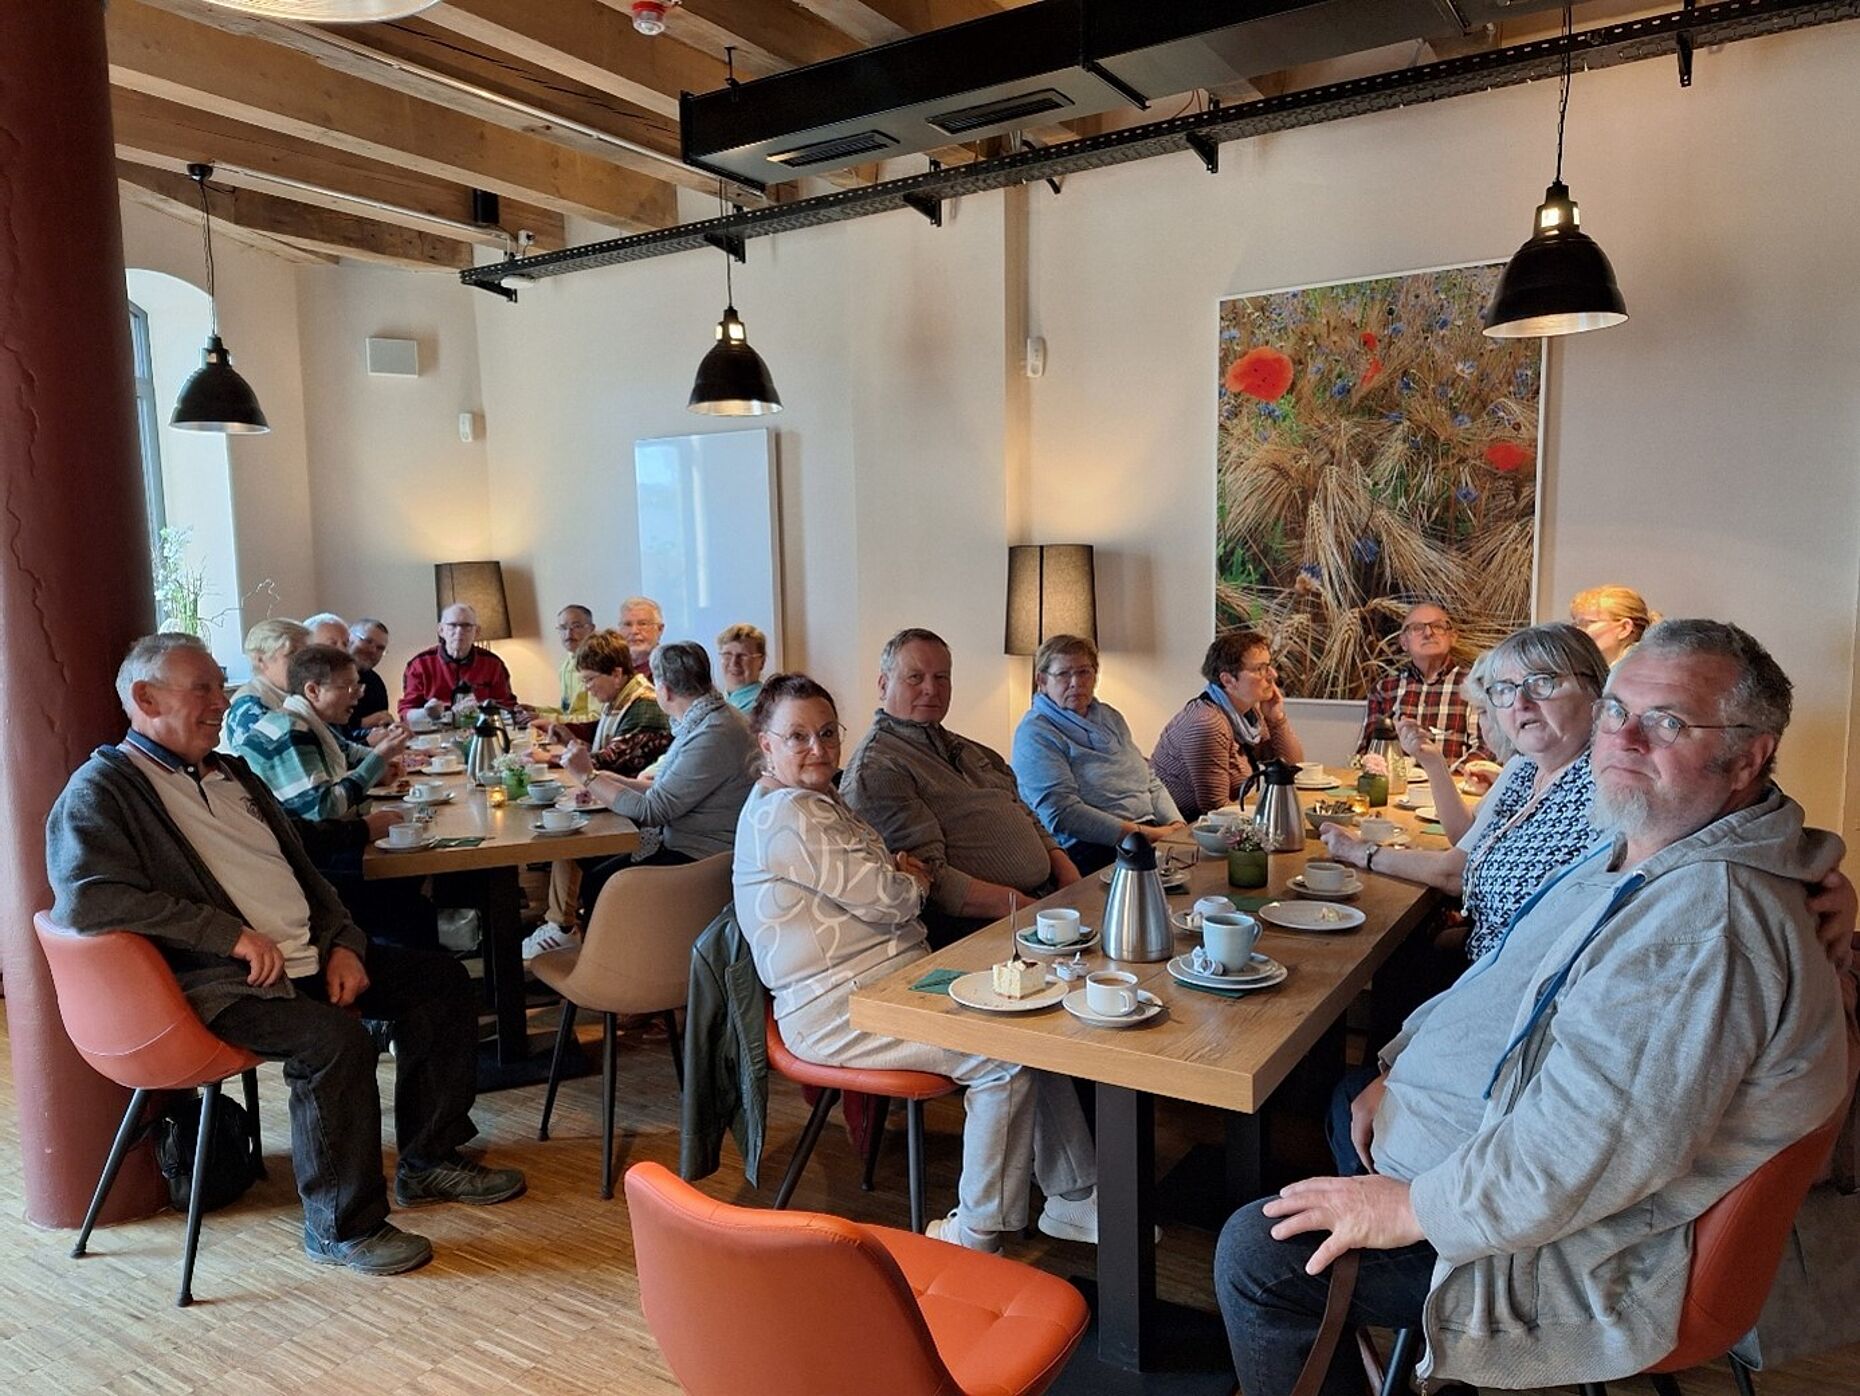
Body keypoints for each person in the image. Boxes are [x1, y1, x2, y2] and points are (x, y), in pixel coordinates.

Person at [1216, 619, 1850, 1394]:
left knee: (1257, 1255)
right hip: (1501, 1162)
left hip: (1565, 1247)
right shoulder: (1643, 842)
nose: (1624, 740)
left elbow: (1579, 1154)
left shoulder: (1702, 924)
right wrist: (1398, 1065)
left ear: (1749, 756)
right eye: (1619, 711)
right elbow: (1508, 974)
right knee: (1350, 1095)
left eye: (1669, 722)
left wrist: (1411, 1207)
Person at [45, 633, 525, 1278]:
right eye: (204, 689)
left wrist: (343, 945)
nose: (225, 700)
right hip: (222, 983)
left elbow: (307, 876)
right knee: (332, 1041)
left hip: (306, 959)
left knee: (437, 980)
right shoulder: (104, 789)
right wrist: (227, 935)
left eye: (222, 684)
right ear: (145, 698)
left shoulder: (233, 771)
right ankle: (341, 1225)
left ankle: (429, 1160)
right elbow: (89, 901)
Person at [735, 672, 1099, 1252]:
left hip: (893, 981)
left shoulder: (815, 800)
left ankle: (1075, 1198)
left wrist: (900, 876)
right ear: (766, 744)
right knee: (1002, 1056)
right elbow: (890, 896)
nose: (818, 748)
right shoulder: (791, 816)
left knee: (1029, 1021)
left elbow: (882, 886)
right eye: (798, 736)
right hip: (836, 1008)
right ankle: (977, 1231)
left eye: (827, 733)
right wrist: (912, 878)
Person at [1323, 623, 1608, 964]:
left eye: (1542, 683)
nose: (1522, 703)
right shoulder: (1527, 769)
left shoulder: (1607, 786)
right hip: (1485, 962)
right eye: (1505, 690)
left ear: (1597, 691)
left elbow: (1454, 871)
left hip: (1525, 986)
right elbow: (1466, 852)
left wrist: (1360, 851)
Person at [841, 628, 1079, 948]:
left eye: (941, 677)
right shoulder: (879, 769)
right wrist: (1025, 909)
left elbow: (1026, 815)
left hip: (1047, 903)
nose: (931, 689)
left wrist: (1069, 879)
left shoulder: (973, 751)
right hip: (979, 929)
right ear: (883, 685)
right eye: (915, 677)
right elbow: (931, 878)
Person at [562, 640, 757, 923]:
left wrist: (587, 776)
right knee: (593, 867)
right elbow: (664, 791)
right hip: (691, 846)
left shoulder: (713, 734)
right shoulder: (707, 720)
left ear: (664, 690)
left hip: (704, 861)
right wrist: (605, 779)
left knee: (599, 881)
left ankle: (610, 964)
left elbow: (652, 810)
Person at [524, 631, 674, 960]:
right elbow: (600, 737)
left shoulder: (645, 706)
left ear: (617, 673)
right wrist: (566, 737)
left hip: (638, 814)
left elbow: (614, 758)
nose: (587, 687)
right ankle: (559, 923)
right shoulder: (620, 700)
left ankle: (562, 929)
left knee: (565, 833)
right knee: (562, 827)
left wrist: (551, 757)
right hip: (623, 799)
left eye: (591, 679)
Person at [1011, 633, 1186, 874]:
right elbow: (1063, 814)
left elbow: (1150, 780)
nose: (1076, 682)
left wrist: (1177, 825)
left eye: (1084, 672)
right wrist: (1151, 835)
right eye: (1063, 674)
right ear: (1041, 680)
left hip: (1147, 835)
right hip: (1090, 847)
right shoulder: (1036, 733)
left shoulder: (1110, 717)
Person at [233, 644, 411, 822]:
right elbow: (323, 809)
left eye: (358, 686)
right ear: (313, 691)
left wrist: (385, 761)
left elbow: (348, 753)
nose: (357, 696)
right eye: (348, 688)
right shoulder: (290, 733)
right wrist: (378, 759)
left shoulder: (308, 720)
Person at [1150, 630, 1306, 824]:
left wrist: (1276, 718)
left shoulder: (1247, 713)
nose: (1272, 675)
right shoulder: (1207, 723)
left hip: (1222, 824)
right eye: (1260, 669)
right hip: (1186, 832)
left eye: (1270, 666)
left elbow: (1292, 769)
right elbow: (1216, 809)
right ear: (1228, 680)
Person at [1355, 601, 1490, 766]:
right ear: (1403, 642)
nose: (1428, 633)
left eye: (1438, 626)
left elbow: (1486, 748)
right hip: (1397, 788)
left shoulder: (1474, 684)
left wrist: (1446, 781)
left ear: (1453, 637)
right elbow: (1371, 750)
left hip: (1457, 786)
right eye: (1417, 628)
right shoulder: (1385, 689)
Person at [397, 602, 519, 716]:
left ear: (477, 632)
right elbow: (407, 711)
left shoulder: (493, 664)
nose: (459, 631)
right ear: (441, 630)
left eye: (467, 626)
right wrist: (426, 713)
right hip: (434, 731)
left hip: (480, 730)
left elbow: (507, 705)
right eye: (452, 625)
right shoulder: (419, 665)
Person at [221, 617, 309, 752]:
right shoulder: (248, 707)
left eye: (307, 656)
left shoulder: (297, 696)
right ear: (260, 659)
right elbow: (286, 764)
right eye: (292, 655)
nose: (303, 664)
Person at [1570, 583, 1661, 667]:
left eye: (1586, 624)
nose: (1576, 632)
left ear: (1624, 628)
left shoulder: (1642, 674)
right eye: (1575, 625)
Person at [343, 616, 394, 741]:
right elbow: (334, 734)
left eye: (380, 648)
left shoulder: (375, 682)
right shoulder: (328, 678)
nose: (372, 650)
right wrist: (363, 722)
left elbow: (381, 728)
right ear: (349, 638)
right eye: (367, 641)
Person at [551, 604, 597, 719]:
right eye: (563, 628)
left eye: (576, 626)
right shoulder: (566, 665)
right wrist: (535, 711)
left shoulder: (597, 665)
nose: (568, 634)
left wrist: (546, 718)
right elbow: (567, 710)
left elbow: (596, 718)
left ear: (591, 629)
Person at [717, 622, 767, 713]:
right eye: (727, 654)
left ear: (762, 662)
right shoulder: (719, 700)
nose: (734, 663)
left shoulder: (765, 705)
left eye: (743, 656)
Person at [618, 595, 666, 684]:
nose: (634, 631)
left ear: (660, 629)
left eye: (642, 624)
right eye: (627, 624)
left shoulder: (670, 668)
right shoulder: (611, 670)